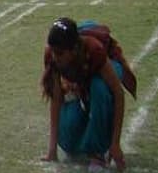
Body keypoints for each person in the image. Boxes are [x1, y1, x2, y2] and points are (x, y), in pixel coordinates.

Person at [41, 18, 137, 171]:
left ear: (74, 50)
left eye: (59, 53)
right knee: (69, 142)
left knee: (99, 87)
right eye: (52, 52)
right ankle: (89, 132)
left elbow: (118, 94)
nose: (54, 57)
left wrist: (115, 144)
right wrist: (52, 150)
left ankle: (97, 152)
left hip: (105, 69)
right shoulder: (52, 55)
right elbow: (56, 98)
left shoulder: (94, 51)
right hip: (81, 77)